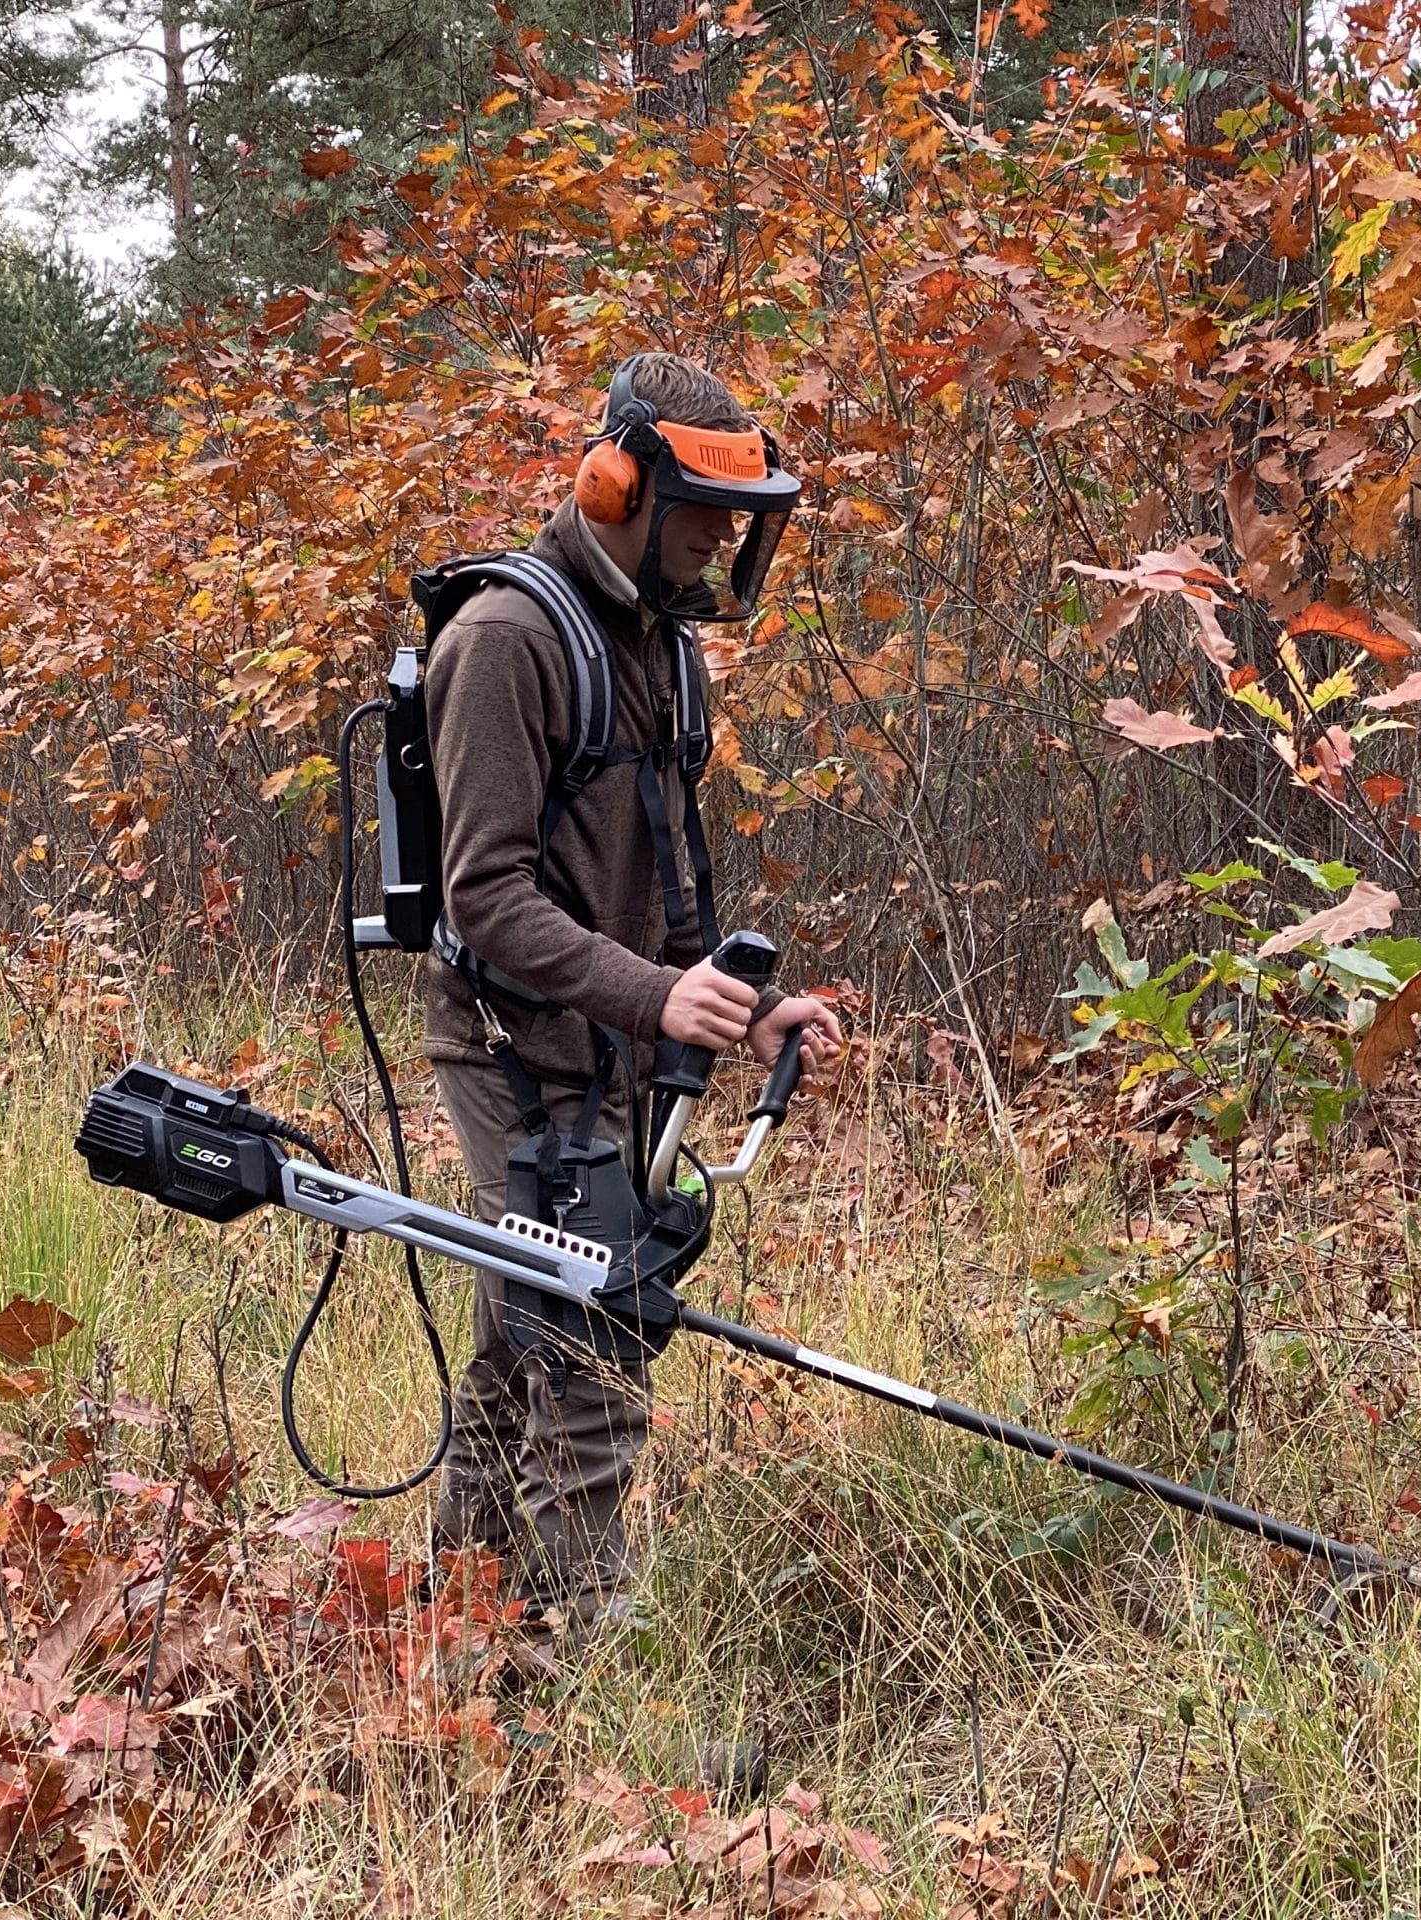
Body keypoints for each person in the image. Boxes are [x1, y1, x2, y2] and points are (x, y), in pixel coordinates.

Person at [419, 350, 843, 1643]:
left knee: (519, 1340)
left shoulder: (664, 647)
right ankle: (579, 1681)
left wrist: (735, 1000)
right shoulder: (504, 644)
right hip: (512, 1052)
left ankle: (454, 1642)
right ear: (620, 487)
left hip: (607, 1046)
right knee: (594, 1342)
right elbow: (482, 898)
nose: (723, 540)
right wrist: (655, 997)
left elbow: (670, 873)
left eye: (739, 518)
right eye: (708, 512)